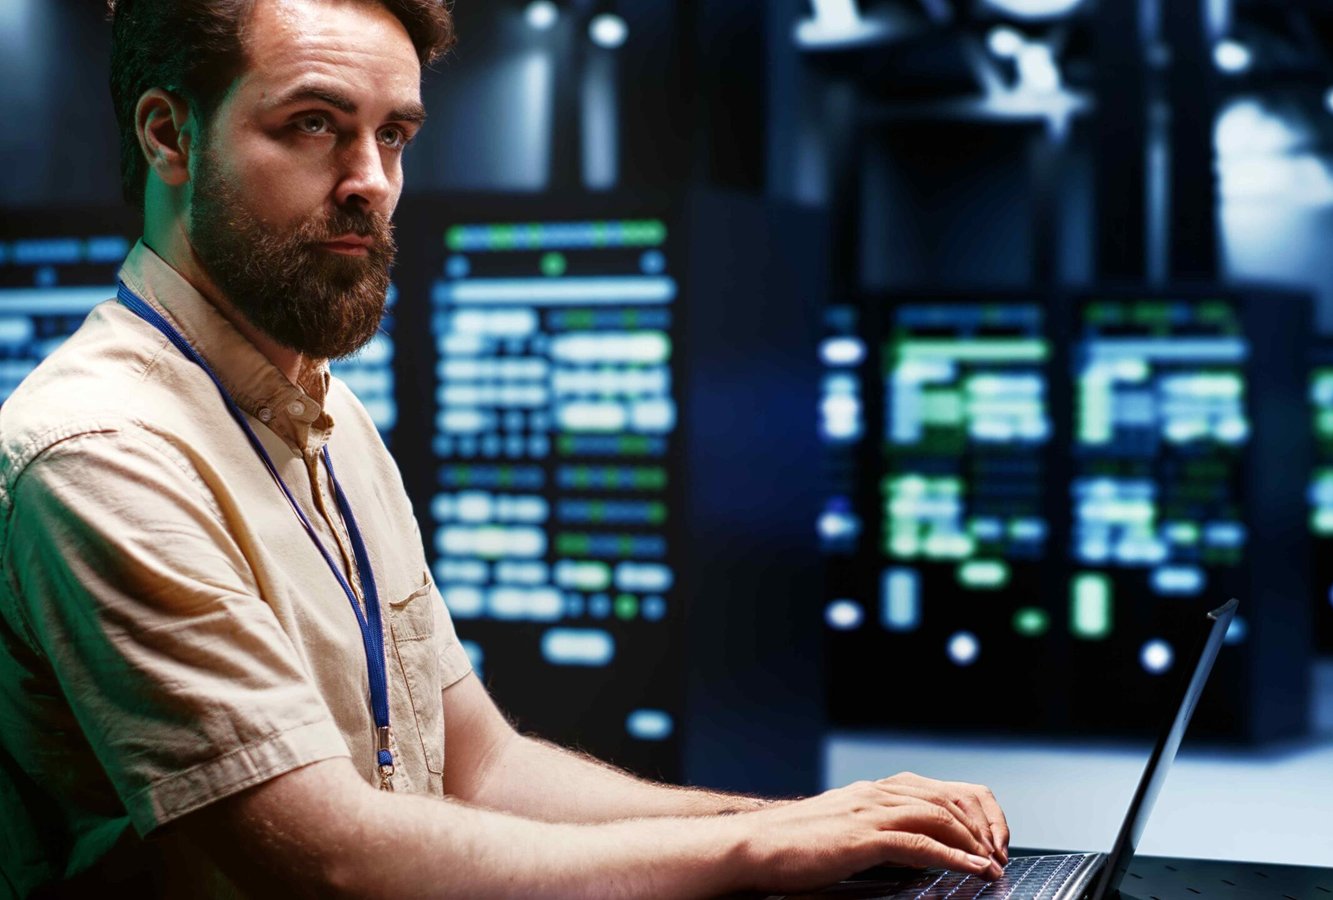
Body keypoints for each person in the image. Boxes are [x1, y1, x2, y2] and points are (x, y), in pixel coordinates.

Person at [0, 0, 1011, 895]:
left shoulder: (327, 417)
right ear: (170, 135)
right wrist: (755, 857)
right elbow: (329, 854)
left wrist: (784, 823)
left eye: (393, 135)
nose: (372, 183)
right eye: (313, 125)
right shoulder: (102, 453)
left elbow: (481, 765)